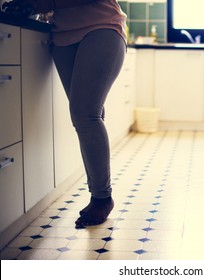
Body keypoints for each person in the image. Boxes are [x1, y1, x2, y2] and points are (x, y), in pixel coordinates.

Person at [23, 0, 127, 227]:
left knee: (86, 114)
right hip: (61, 35)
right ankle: (99, 193)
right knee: (86, 116)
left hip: (102, 27)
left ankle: (101, 197)